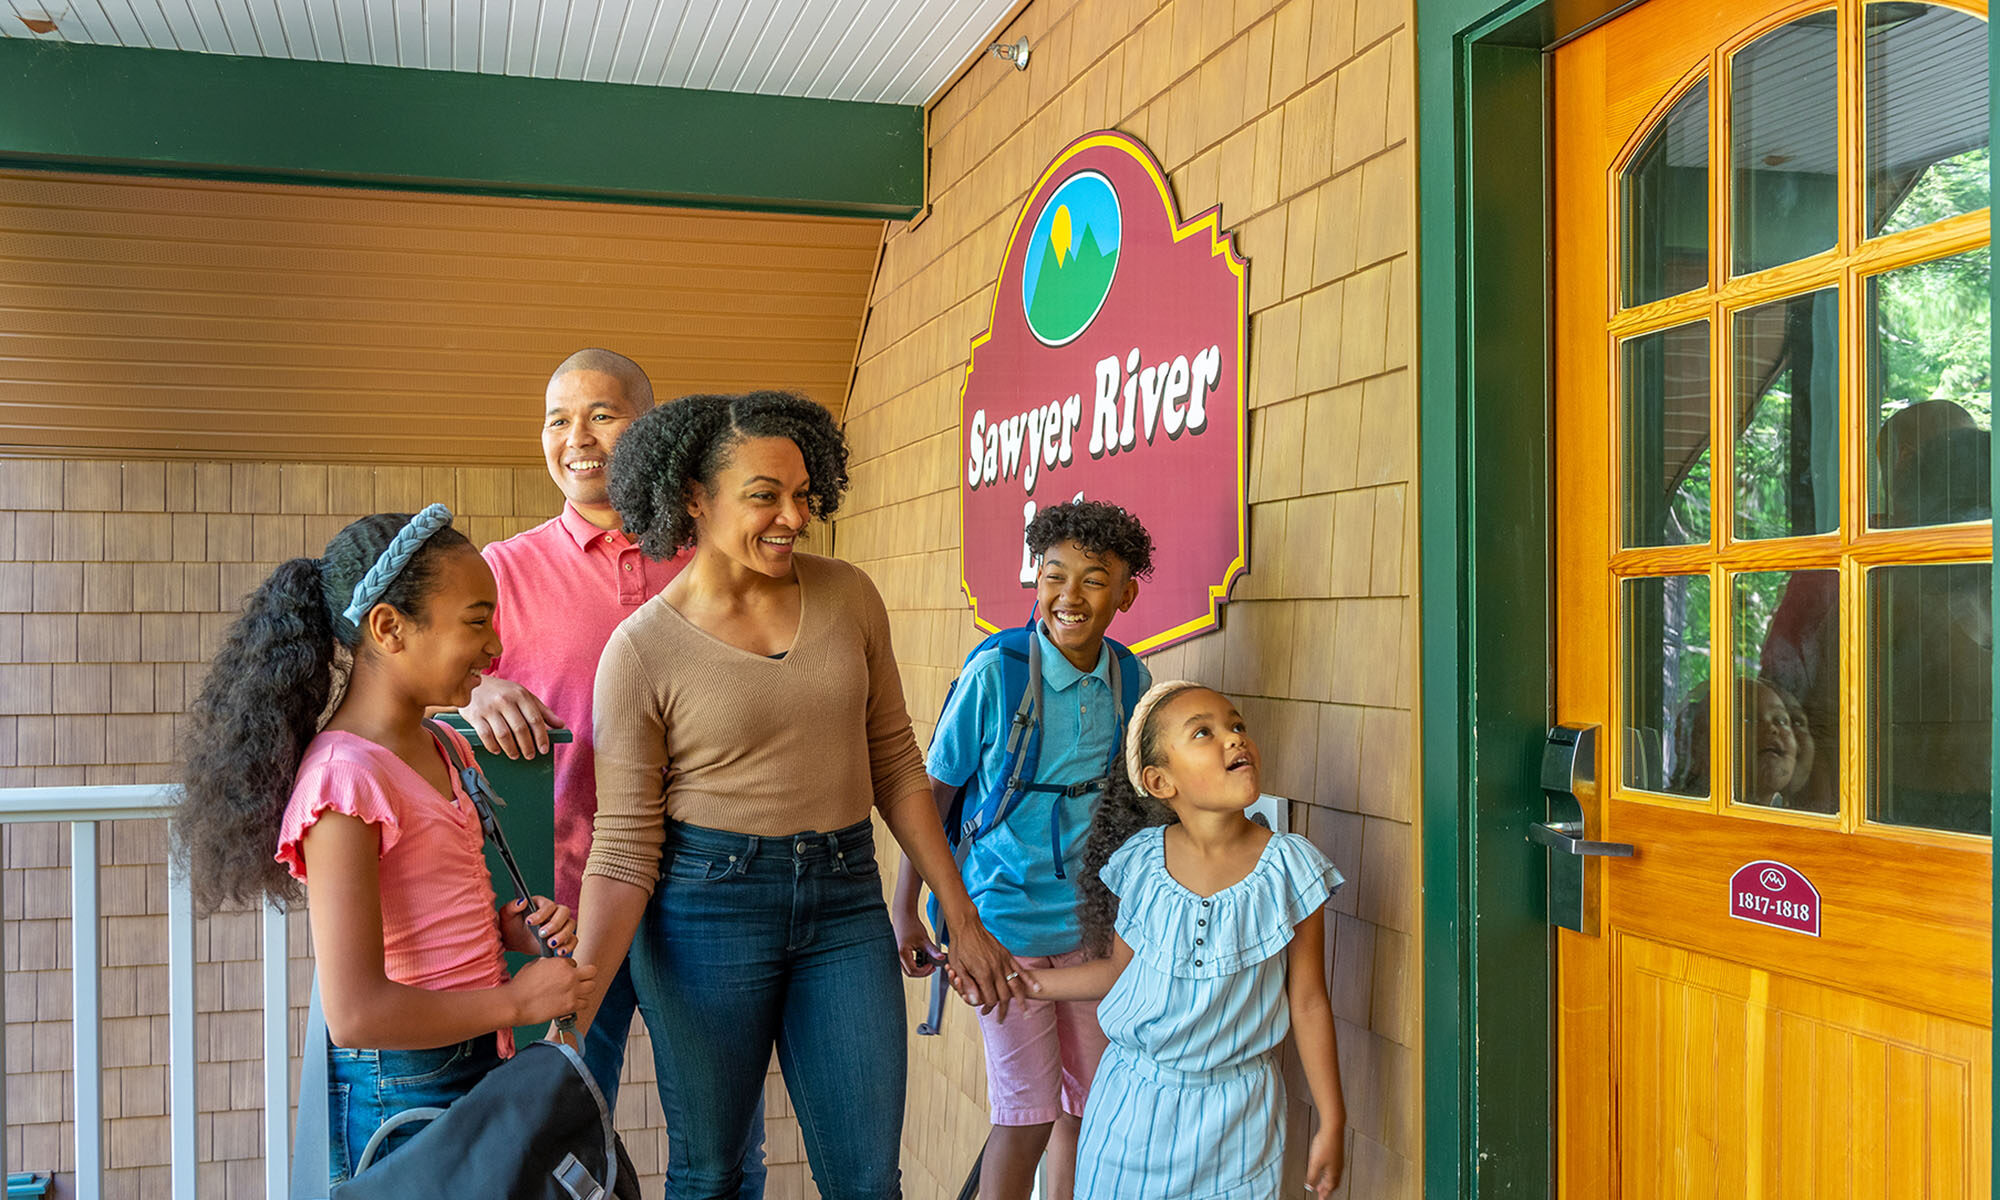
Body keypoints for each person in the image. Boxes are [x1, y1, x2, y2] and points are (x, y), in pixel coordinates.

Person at [571, 390, 1028, 1200]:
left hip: (846, 904)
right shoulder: (639, 653)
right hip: (703, 911)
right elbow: (624, 848)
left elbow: (894, 761)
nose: (793, 516)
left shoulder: (849, 595)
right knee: (711, 1174)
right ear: (692, 498)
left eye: (803, 494)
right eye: (764, 496)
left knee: (864, 1181)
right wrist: (575, 999)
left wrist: (959, 913)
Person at [171, 507, 596, 1182]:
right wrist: (518, 1003)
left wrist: (504, 930)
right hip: (404, 1089)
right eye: (477, 619)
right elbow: (357, 1012)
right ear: (389, 627)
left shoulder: (444, 745)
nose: (495, 646)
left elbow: (422, 914)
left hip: (478, 1056)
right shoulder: (345, 782)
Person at [458, 349, 770, 1185]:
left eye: (602, 413)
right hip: (563, 906)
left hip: (707, 892)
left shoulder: (711, 556)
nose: (577, 436)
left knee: (724, 1147)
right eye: (558, 418)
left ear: (648, 426)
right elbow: (418, 690)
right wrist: (479, 689)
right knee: (552, 1136)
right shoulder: (502, 570)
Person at [891, 499, 1154, 1200]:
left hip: (1090, 931)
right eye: (1054, 574)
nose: (1070, 596)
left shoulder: (1133, 683)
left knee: (1088, 1107)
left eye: (1094, 579)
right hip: (1000, 930)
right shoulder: (997, 677)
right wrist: (905, 910)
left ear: (1126, 593)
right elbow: (930, 802)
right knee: (1025, 1119)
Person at [1019, 681, 1347, 1200]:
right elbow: (1119, 973)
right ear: (1160, 780)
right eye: (1204, 732)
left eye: (1237, 726)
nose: (1234, 739)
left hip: (1238, 1121)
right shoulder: (1143, 863)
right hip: (1130, 1105)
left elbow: (1306, 1001)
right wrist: (1029, 985)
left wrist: (1333, 1118)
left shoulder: (1290, 868)